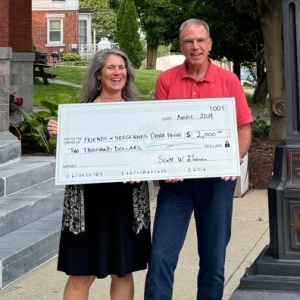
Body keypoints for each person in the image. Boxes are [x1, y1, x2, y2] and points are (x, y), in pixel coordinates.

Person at [144, 19, 253, 300]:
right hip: (176, 186)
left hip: (216, 184)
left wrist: (235, 158)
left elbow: (243, 127)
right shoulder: (166, 80)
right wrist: (164, 165)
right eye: (189, 41)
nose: (196, 47)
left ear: (210, 44)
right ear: (181, 45)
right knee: (160, 259)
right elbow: (160, 131)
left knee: (213, 261)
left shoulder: (228, 81)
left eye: (201, 40)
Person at [47, 48, 151, 300]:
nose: (118, 73)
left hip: (126, 201)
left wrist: (143, 168)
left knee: (123, 272)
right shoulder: (79, 113)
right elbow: (68, 161)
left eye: (121, 68)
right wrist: (61, 137)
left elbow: (150, 154)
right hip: (87, 203)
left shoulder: (141, 114)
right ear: (98, 74)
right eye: (111, 68)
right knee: (81, 273)